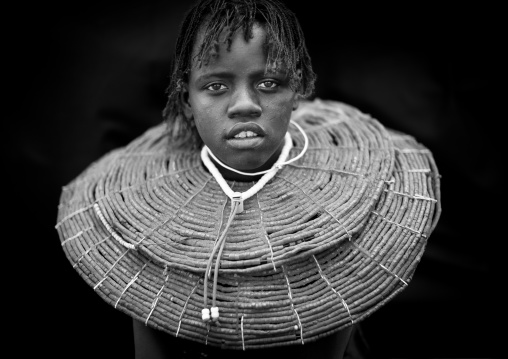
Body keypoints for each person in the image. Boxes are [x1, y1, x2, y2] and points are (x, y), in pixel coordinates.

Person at [55, 0, 441, 358]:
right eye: (216, 87)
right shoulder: (142, 222)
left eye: (269, 83)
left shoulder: (348, 209)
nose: (244, 104)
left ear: (298, 89)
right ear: (187, 100)